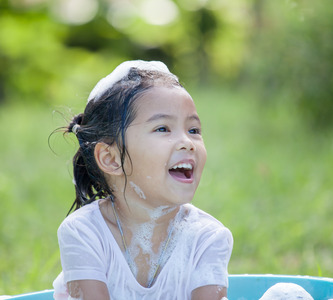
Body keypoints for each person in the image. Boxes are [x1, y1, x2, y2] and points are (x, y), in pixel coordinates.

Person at [52, 60, 233, 300]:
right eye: (162, 129)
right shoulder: (85, 233)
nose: (187, 142)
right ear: (111, 159)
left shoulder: (207, 238)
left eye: (193, 130)